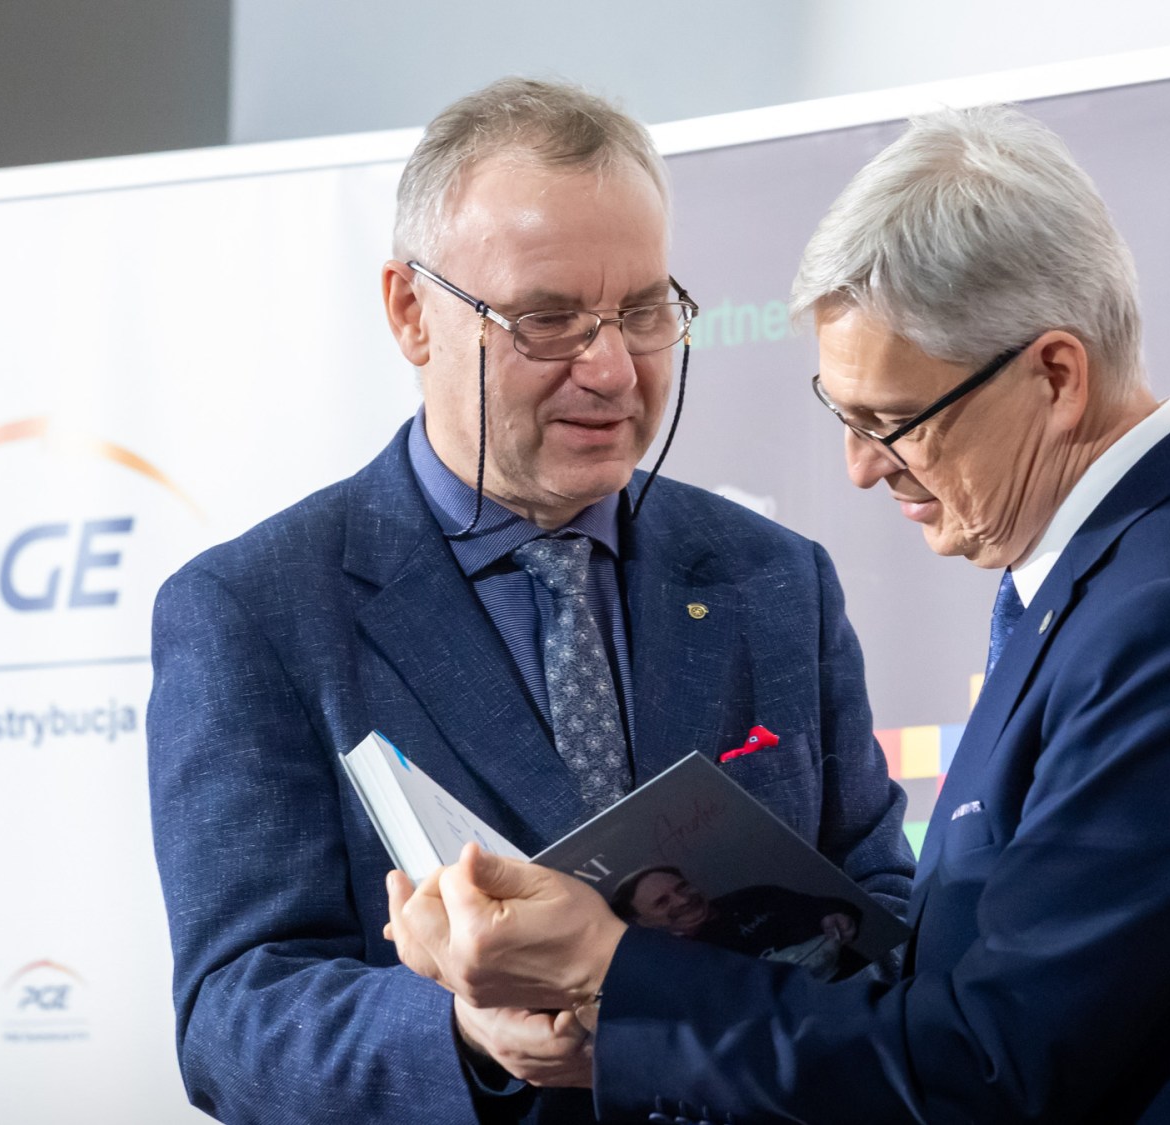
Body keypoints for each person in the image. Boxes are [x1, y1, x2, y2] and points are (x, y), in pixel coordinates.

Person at [388, 105, 1170, 1123]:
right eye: (843, 417)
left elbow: (988, 1070)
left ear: (1056, 375)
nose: (859, 466)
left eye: (893, 421)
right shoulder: (1131, 580)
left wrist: (614, 972)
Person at [146, 78, 913, 1125]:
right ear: (411, 313)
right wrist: (468, 1039)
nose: (613, 369)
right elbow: (236, 1015)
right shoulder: (253, 611)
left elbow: (882, 904)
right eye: (547, 320)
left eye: (644, 313)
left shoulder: (776, 580)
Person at [611, 865, 863, 976]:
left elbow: (823, 907)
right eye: (662, 902)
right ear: (642, 922)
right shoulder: (670, 965)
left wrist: (838, 914)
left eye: (682, 887)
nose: (683, 900)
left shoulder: (755, 897)